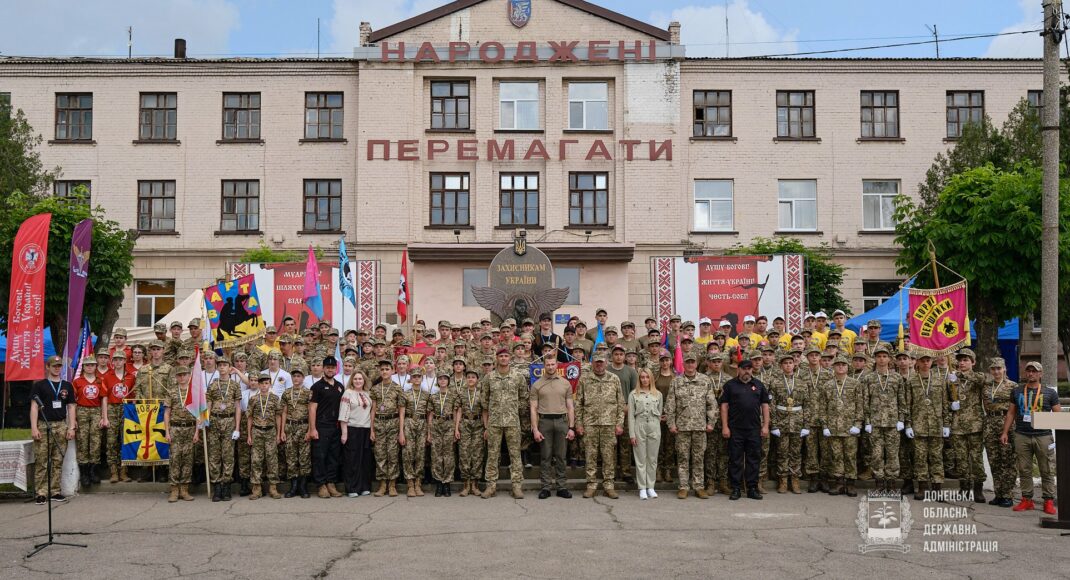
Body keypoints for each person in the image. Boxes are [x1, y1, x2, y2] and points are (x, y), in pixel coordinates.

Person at [1001, 361, 1060, 515]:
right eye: (1029, 371)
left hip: (1043, 436)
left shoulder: (1050, 393)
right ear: (1025, 373)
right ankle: (1027, 500)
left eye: (1035, 371)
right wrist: (1005, 432)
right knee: (1024, 469)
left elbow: (1058, 416)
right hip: (1022, 435)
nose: (1031, 374)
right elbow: (1011, 413)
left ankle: (1048, 500)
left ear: (1040, 374)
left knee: (1046, 469)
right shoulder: (1017, 391)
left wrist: (1039, 421)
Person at [665, 352, 716, 499]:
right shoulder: (676, 381)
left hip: (700, 427)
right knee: (682, 457)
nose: (690, 365)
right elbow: (670, 404)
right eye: (687, 362)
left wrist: (711, 422)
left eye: (692, 362)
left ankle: (699, 486)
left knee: (699, 457)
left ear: (696, 364)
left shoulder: (705, 380)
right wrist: (671, 424)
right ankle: (683, 486)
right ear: (683, 364)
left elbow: (711, 403)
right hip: (682, 427)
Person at [575, 352, 625, 499]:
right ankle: (591, 485)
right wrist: (579, 423)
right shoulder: (584, 379)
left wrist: (619, 423)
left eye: (601, 362)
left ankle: (609, 485)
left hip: (609, 424)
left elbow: (620, 403)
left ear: (606, 363)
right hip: (590, 423)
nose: (599, 364)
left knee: (608, 456)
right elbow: (578, 404)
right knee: (590, 455)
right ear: (592, 363)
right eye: (596, 362)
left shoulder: (614, 379)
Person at [719, 359, 771, 500]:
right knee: (735, 459)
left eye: (749, 368)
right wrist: (725, 426)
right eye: (744, 368)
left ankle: (752, 488)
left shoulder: (759, 385)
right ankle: (736, 488)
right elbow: (724, 406)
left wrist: (765, 425)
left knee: (753, 459)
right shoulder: (730, 385)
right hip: (735, 429)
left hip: (754, 429)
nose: (747, 371)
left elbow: (765, 406)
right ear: (738, 370)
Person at [480, 348, 528, 499]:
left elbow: (524, 397)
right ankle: (491, 486)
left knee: (515, 454)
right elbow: (484, 400)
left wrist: (512, 409)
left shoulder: (517, 376)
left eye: (506, 356)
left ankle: (517, 486)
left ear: (510, 358)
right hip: (494, 422)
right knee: (493, 455)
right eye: (501, 356)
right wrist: (487, 424)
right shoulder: (489, 377)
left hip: (513, 421)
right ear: (497, 358)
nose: (504, 358)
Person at [30, 356, 77, 504]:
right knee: (42, 460)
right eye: (54, 366)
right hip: (44, 425)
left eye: (59, 366)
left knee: (58, 460)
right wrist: (34, 427)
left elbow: (71, 407)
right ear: (47, 367)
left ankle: (55, 491)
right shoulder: (40, 385)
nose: (57, 368)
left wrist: (71, 427)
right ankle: (41, 492)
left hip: (61, 425)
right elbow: (34, 406)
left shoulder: (67, 385)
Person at [904, 353, 951, 501]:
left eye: (928, 360)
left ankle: (937, 488)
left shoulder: (940, 381)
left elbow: (944, 404)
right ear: (917, 362)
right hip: (918, 426)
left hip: (936, 425)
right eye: (922, 361)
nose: (925, 363)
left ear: (932, 362)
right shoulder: (911, 381)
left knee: (937, 457)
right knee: (920, 457)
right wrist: (908, 425)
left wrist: (946, 424)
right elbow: (907, 405)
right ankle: (922, 487)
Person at [861, 347, 906, 493]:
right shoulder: (868, 378)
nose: (881, 359)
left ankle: (891, 482)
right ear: (875, 359)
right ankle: (879, 482)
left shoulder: (897, 378)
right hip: (875, 422)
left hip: (893, 423)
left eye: (884, 356)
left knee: (893, 453)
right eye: (879, 356)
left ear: (889, 359)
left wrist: (901, 419)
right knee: (876, 453)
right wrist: (867, 421)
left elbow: (902, 400)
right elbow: (865, 401)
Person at [530, 356, 576, 499]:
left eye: (552, 364)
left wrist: (571, 427)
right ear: (544, 366)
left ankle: (561, 487)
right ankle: (545, 487)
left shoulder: (565, 383)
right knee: (546, 456)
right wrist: (535, 429)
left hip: (562, 421)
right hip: (545, 421)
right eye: (547, 365)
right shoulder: (537, 384)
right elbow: (533, 408)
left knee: (561, 456)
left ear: (557, 365)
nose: (550, 367)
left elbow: (570, 406)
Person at [820, 355, 864, 497]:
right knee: (836, 455)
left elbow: (860, 405)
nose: (840, 367)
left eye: (843, 365)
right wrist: (825, 426)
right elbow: (823, 407)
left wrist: (858, 424)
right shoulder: (827, 385)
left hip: (850, 427)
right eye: (837, 364)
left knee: (850, 456)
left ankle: (850, 484)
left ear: (847, 367)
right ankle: (839, 483)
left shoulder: (855, 384)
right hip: (833, 428)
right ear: (833, 367)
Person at [769, 352, 811, 494]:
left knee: (796, 453)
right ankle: (783, 480)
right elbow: (772, 405)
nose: (788, 365)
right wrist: (773, 425)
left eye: (790, 363)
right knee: (782, 452)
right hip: (781, 421)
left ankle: (795, 480)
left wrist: (806, 425)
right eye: (785, 363)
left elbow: (807, 405)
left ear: (794, 365)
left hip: (798, 422)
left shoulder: (802, 383)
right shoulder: (775, 382)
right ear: (781, 366)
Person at [950, 349, 986, 503]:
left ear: (973, 362)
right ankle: (964, 488)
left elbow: (980, 381)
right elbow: (947, 398)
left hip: (975, 425)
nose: (962, 363)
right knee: (961, 459)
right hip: (958, 425)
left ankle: (978, 489)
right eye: (960, 360)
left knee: (976, 458)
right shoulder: (952, 380)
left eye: (966, 360)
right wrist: (952, 404)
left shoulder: (978, 377)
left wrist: (960, 375)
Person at [205, 356, 242, 502]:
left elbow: (238, 407)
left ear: (229, 367)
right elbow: (208, 403)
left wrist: (237, 427)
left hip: (229, 421)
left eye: (224, 365)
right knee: (214, 455)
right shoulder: (213, 385)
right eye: (219, 365)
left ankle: (226, 485)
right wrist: (206, 419)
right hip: (214, 421)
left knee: (228, 455)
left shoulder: (234, 385)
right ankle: (217, 487)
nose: (222, 368)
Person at [982, 358, 1017, 508]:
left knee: (1007, 461)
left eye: (999, 368)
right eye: (993, 369)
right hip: (990, 424)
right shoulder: (986, 386)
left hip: (1006, 424)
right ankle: (998, 494)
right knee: (994, 461)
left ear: (1004, 369)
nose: (996, 371)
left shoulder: (1013, 386)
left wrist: (1007, 430)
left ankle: (1007, 495)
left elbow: (1016, 408)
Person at [309, 357, 345, 498]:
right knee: (320, 456)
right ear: (323, 369)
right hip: (321, 426)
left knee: (333, 456)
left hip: (335, 427)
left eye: (332, 367)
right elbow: (312, 409)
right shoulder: (317, 387)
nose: (330, 370)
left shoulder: (339, 386)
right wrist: (313, 429)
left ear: (336, 369)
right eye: (328, 367)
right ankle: (321, 484)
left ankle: (331, 482)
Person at [370, 360, 404, 497]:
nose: (384, 371)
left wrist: (401, 431)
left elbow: (402, 410)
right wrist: (371, 429)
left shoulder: (398, 388)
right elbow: (373, 410)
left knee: (393, 454)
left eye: (387, 369)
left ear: (392, 371)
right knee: (380, 454)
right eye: (382, 369)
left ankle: (392, 484)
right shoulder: (375, 389)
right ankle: (383, 484)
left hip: (393, 422)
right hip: (379, 423)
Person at [73, 356, 108, 487]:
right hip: (81, 411)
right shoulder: (77, 381)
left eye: (92, 365)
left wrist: (104, 417)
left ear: (95, 366)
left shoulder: (100, 381)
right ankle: (84, 473)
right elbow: (73, 402)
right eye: (87, 365)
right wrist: (74, 419)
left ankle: (93, 471)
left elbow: (104, 399)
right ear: (83, 367)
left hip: (95, 411)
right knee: (83, 440)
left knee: (96, 441)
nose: (90, 367)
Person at [164, 365, 198, 502]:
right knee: (175, 459)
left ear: (189, 376)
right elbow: (167, 413)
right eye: (180, 375)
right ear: (176, 377)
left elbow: (198, 414)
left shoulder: (194, 392)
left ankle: (184, 489)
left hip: (190, 429)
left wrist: (197, 432)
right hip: (175, 429)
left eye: (185, 375)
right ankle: (174, 489)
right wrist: (167, 431)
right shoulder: (171, 392)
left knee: (188, 460)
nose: (182, 377)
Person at [247, 373, 283, 500]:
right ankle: (256, 488)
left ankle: (273, 487)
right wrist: (249, 435)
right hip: (257, 431)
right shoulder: (253, 399)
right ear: (258, 384)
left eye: (266, 383)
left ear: (270, 384)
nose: (264, 385)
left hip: (271, 431)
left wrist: (279, 434)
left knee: (272, 459)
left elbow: (278, 416)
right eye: (261, 383)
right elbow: (250, 417)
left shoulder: (274, 398)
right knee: (256, 459)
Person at [339, 370, 374, 497]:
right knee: (352, 460)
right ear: (352, 381)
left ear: (364, 380)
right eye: (355, 379)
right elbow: (343, 413)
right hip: (352, 429)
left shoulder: (367, 394)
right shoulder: (348, 393)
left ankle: (364, 486)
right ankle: (352, 487)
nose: (358, 381)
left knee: (364, 459)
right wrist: (344, 433)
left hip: (365, 429)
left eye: (360, 379)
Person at [102, 351, 135, 483]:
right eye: (115, 359)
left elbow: (133, 397)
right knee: (111, 442)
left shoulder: (131, 377)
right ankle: (114, 471)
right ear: (112, 362)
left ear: (124, 361)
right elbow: (104, 398)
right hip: (111, 408)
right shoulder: (107, 377)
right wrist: (105, 417)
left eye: (120, 359)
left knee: (125, 440)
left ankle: (124, 471)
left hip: (126, 409)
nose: (118, 362)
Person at [629, 368, 663, 500]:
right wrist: (632, 434)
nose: (644, 379)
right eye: (642, 377)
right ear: (639, 379)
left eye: (647, 377)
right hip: (639, 426)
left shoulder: (658, 394)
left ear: (651, 379)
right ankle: (642, 487)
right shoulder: (633, 394)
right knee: (640, 459)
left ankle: (651, 487)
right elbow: (631, 416)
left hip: (654, 427)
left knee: (652, 459)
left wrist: (656, 427)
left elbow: (659, 414)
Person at [607, 344, 639, 483]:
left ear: (624, 356)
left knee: (625, 443)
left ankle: (626, 472)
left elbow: (635, 392)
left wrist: (628, 407)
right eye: (616, 354)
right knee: (611, 443)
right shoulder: (607, 370)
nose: (618, 356)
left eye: (621, 354)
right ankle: (611, 472)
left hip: (627, 409)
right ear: (612, 356)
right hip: (609, 411)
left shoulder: (631, 372)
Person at [280, 367, 313, 498]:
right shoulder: (286, 393)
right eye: (294, 376)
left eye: (299, 376)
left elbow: (311, 412)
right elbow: (284, 412)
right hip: (290, 427)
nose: (296, 378)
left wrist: (310, 429)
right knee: (291, 457)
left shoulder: (308, 393)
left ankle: (303, 486)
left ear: (303, 378)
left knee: (304, 457)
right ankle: (293, 486)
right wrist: (282, 430)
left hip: (303, 426)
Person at [453, 369, 485, 497]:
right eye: (469, 377)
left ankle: (475, 485)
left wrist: (486, 427)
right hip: (465, 424)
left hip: (478, 425)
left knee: (477, 454)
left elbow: (484, 411)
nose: (471, 379)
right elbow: (458, 411)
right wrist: (456, 428)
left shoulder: (481, 393)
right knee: (464, 454)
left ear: (477, 380)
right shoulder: (461, 393)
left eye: (473, 377)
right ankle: (466, 484)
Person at [428, 371, 458, 497]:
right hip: (436, 426)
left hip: (449, 425)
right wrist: (429, 432)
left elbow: (456, 413)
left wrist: (456, 429)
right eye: (440, 379)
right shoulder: (433, 396)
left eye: (445, 379)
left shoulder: (453, 395)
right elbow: (430, 415)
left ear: (448, 381)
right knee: (436, 455)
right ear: (438, 381)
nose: (443, 381)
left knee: (448, 455)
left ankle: (447, 483)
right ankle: (439, 482)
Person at [401, 367, 430, 497]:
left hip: (422, 424)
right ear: (410, 379)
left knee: (420, 453)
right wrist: (400, 432)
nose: (417, 378)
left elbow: (429, 414)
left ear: (422, 378)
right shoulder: (405, 394)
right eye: (414, 376)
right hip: (408, 422)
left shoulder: (426, 394)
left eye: (419, 376)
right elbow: (401, 413)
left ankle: (418, 483)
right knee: (408, 453)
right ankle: (410, 484)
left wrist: (429, 431)